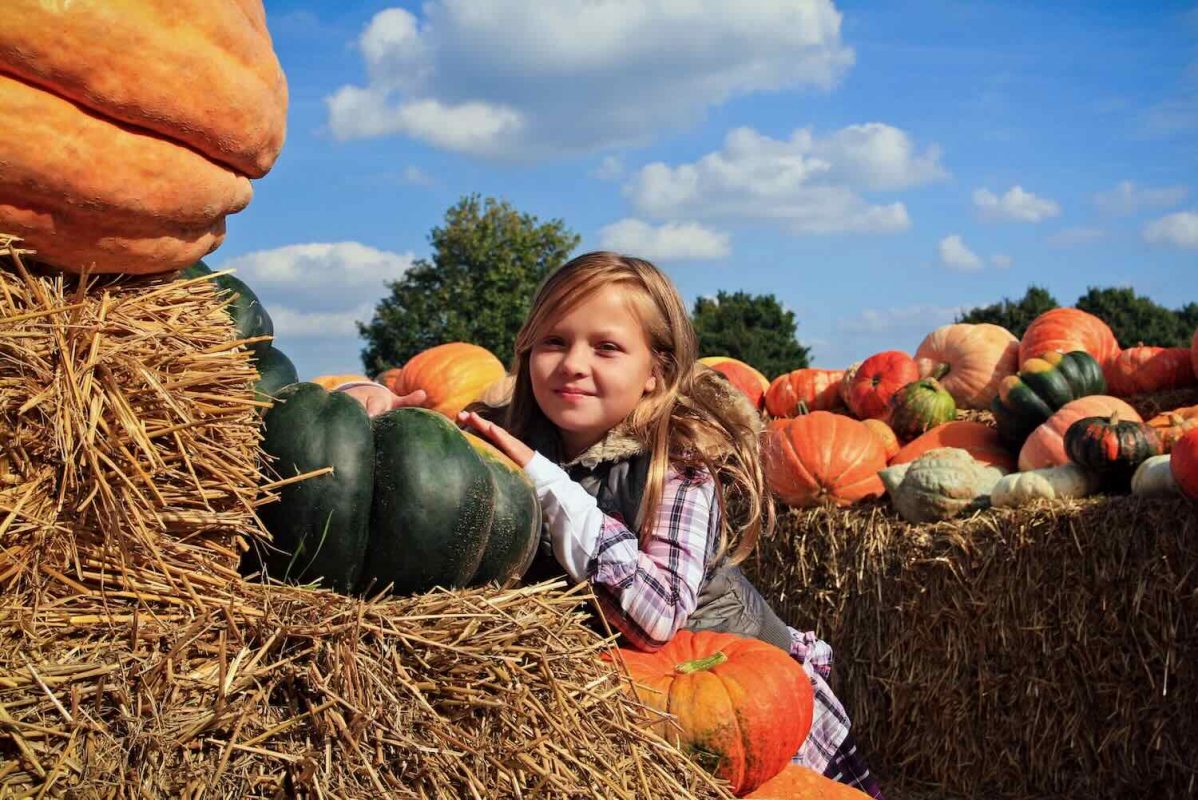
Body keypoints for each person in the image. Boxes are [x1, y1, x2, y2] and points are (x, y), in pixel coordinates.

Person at [341, 252, 884, 797]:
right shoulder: (509, 435)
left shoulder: (680, 465)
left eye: (606, 348)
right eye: (555, 341)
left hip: (737, 711)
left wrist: (549, 485)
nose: (574, 363)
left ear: (656, 373)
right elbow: (417, 457)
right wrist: (366, 404)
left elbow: (659, 616)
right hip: (619, 718)